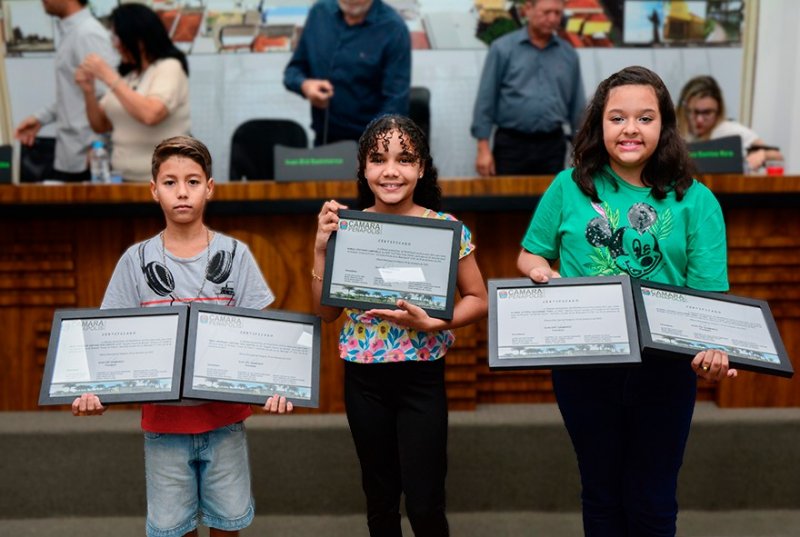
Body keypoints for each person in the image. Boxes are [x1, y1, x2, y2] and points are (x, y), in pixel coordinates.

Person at [516, 66, 737, 536]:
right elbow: (531, 253)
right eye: (617, 118)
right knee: (601, 494)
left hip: (665, 369)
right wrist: (542, 273)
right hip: (585, 364)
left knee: (653, 499)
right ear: (599, 124)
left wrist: (713, 347)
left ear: (665, 125)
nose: (630, 129)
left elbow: (709, 300)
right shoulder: (568, 186)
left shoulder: (697, 201)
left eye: (645, 118)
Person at [71, 136, 293, 537]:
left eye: (193, 181)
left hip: (225, 423)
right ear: (154, 190)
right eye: (170, 182)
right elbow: (110, 343)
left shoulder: (236, 255)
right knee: (174, 528)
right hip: (164, 427)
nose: (182, 192)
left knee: (228, 523)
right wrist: (95, 393)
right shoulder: (135, 261)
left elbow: (259, 340)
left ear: (210, 187)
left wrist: (274, 387)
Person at [312, 115, 488, 536]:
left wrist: (433, 323)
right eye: (378, 159)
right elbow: (326, 313)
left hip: (421, 379)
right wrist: (320, 249)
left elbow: (479, 299)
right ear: (363, 167)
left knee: (425, 504)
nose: (391, 171)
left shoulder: (446, 228)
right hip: (363, 380)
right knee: (380, 501)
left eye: (404, 159)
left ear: (421, 167)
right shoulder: (345, 227)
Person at [75, 3, 190, 183]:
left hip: (166, 183)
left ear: (139, 39)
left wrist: (109, 76)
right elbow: (101, 125)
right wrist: (88, 91)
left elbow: (151, 115)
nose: (115, 46)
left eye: (117, 38)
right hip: (124, 181)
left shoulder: (169, 67)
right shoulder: (129, 78)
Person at [471, 0, 585, 177]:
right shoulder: (502, 49)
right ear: (528, 10)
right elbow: (486, 100)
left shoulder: (568, 54)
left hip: (552, 146)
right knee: (508, 195)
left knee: (550, 195)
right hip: (511, 145)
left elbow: (577, 108)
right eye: (546, 12)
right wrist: (483, 148)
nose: (552, 19)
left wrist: (583, 150)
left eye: (557, 13)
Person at [283, 0, 411, 146]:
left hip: (370, 142)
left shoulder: (393, 28)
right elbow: (293, 71)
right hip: (325, 139)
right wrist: (305, 86)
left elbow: (396, 103)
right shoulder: (319, 14)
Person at [13, 0, 115, 182]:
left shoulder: (87, 33)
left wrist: (99, 148)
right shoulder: (72, 32)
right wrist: (40, 118)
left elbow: (105, 95)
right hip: (72, 154)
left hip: (88, 157)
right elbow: (74, 94)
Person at [676, 75, 784, 172]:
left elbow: (777, 156)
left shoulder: (730, 131)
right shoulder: (675, 132)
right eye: (694, 112)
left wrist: (763, 154)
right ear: (684, 109)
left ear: (718, 110)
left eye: (707, 113)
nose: (699, 119)